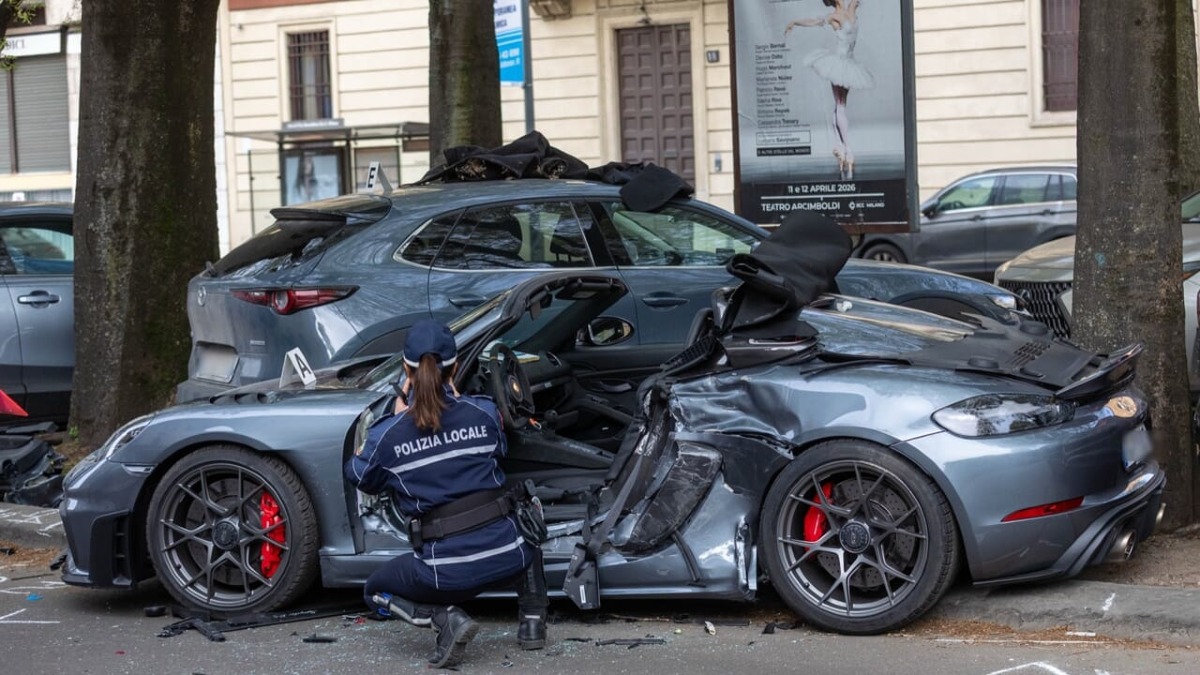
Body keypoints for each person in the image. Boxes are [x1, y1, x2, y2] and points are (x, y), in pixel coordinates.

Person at [344, 320, 548, 669]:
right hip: (508, 558)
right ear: (456, 367)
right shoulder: (485, 412)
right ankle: (532, 622)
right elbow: (499, 452)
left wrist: (395, 418)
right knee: (526, 521)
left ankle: (443, 619)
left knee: (374, 591)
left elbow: (359, 476)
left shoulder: (388, 435)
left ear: (407, 371)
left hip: (444, 577)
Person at [785, 0, 874, 179]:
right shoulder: (836, 16)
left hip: (849, 63)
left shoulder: (851, 9)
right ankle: (847, 149)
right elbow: (814, 21)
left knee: (840, 106)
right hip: (839, 63)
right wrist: (795, 22)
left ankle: (840, 146)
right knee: (840, 105)